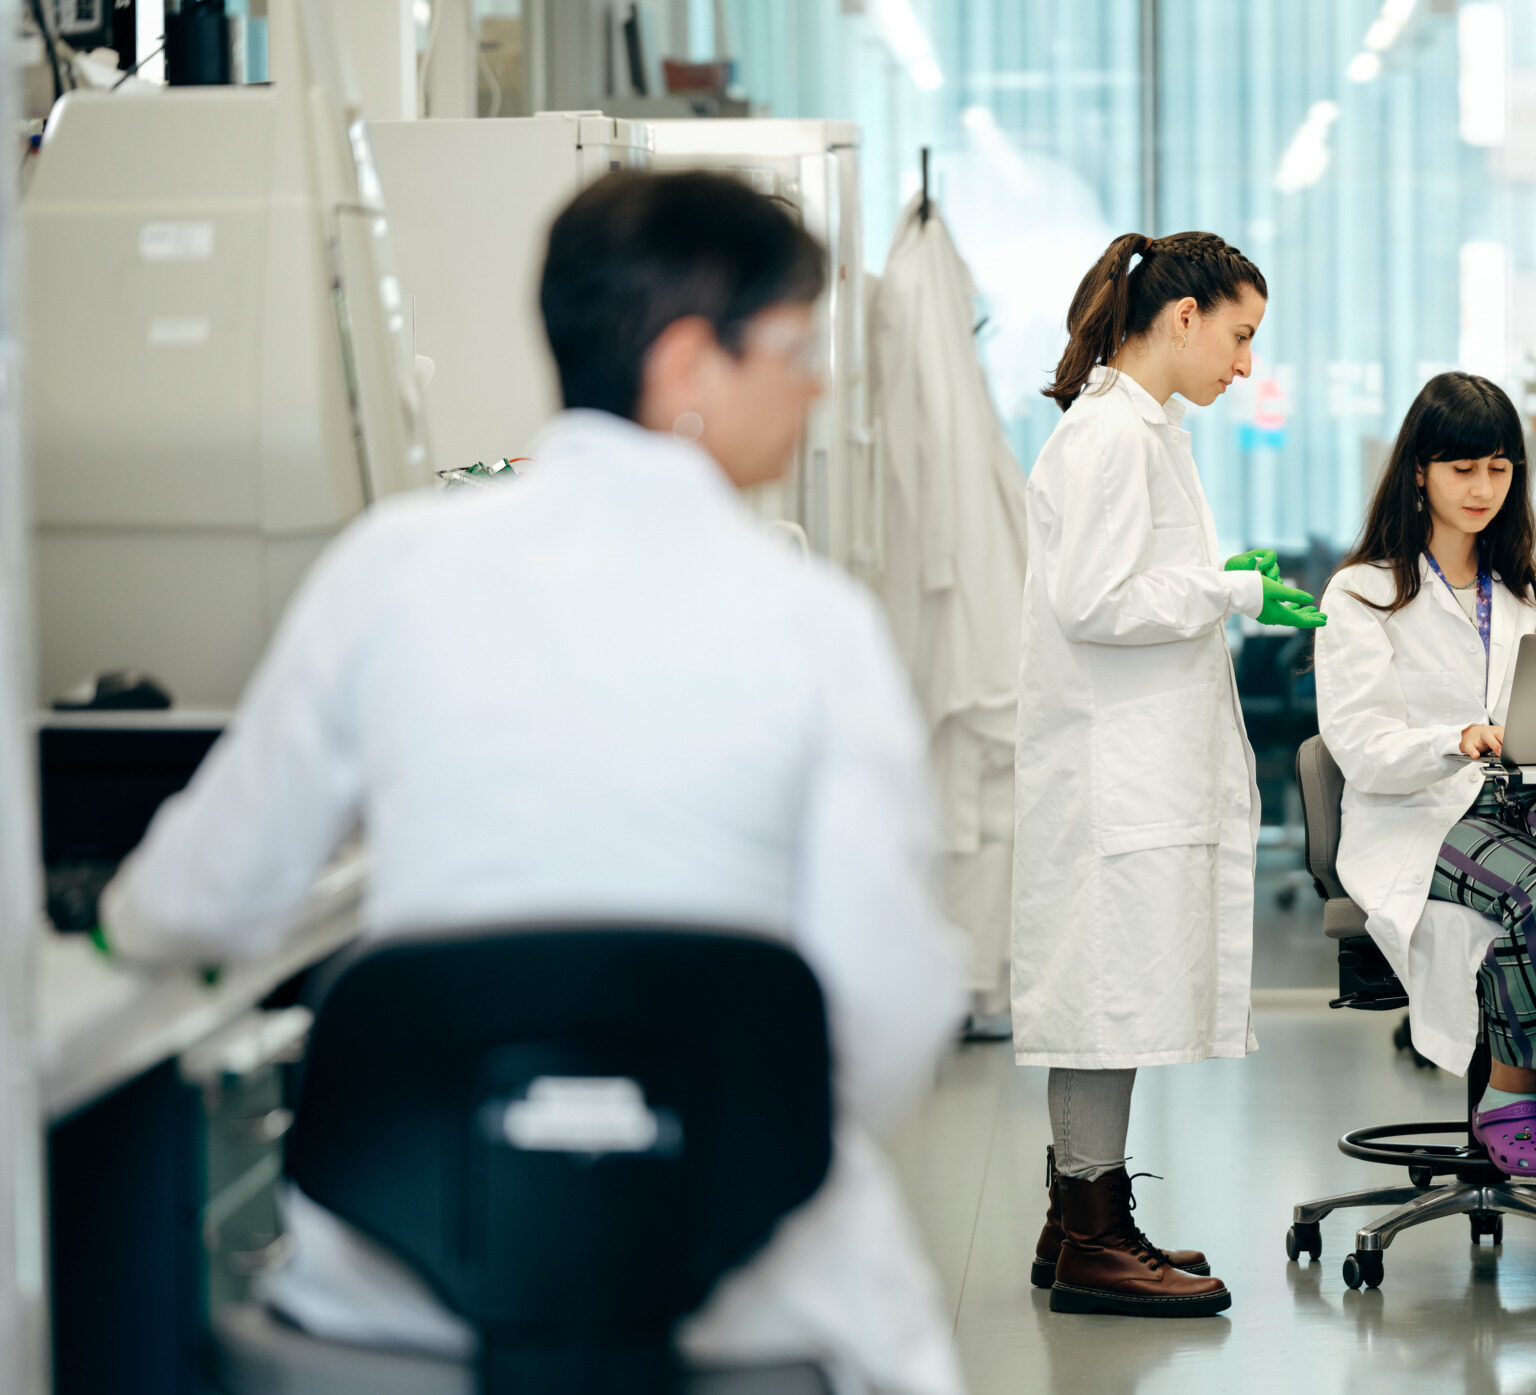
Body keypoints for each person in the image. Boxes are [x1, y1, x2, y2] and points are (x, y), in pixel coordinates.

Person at [99, 170, 968, 1395]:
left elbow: (204, 895)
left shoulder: (391, 569)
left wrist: (112, 919)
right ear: (685, 369)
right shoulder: (813, 621)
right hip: (739, 1306)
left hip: (402, 1297)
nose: (815, 384)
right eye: (791, 346)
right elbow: (886, 1008)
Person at [1012, 229, 1316, 1320]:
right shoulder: (1110, 438)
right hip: (1110, 777)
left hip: (1127, 766)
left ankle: (1076, 1220)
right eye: (1238, 337)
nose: (1243, 365)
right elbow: (1093, 604)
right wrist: (1223, 593)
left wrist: (1212, 581)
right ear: (1181, 317)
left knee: (1117, 996)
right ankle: (1091, 1236)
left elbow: (1123, 581)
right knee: (1106, 1002)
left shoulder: (1144, 431)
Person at [1316, 372, 1536, 1177]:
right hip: (1420, 815)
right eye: (1462, 468)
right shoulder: (1362, 594)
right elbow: (1359, 743)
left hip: (1518, 803)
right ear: (1420, 471)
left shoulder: (1524, 591)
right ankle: (1508, 1095)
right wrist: (1456, 737)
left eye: (1498, 468)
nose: (1482, 487)